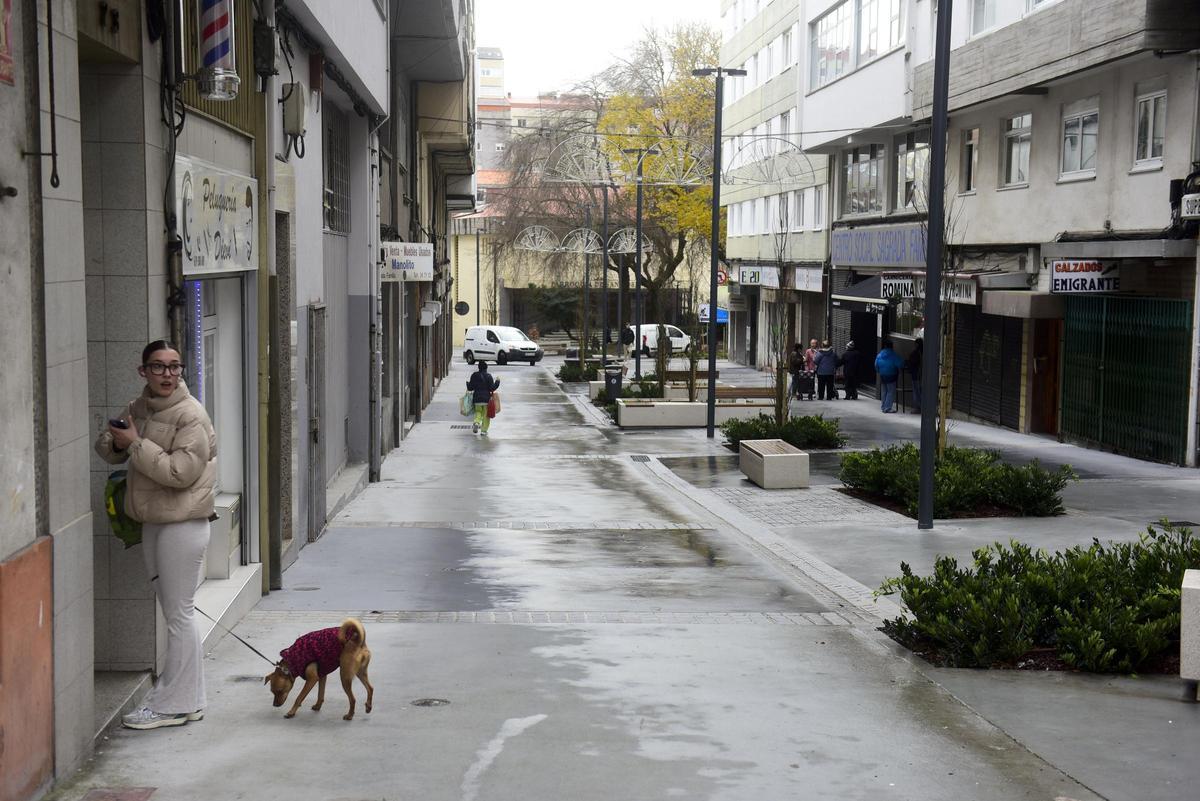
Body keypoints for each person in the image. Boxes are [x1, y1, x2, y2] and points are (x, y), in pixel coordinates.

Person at [96, 340, 217, 730]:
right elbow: (110, 449)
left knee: (179, 615)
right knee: (175, 614)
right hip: (155, 522)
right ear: (143, 371)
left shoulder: (191, 416)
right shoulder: (138, 407)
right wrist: (117, 441)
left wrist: (135, 444)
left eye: (174, 367)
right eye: (159, 367)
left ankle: (172, 706)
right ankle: (189, 700)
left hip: (184, 523)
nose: (168, 374)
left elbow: (180, 473)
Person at [467, 360, 501, 436]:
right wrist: (497, 382)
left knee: (478, 412)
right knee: (486, 415)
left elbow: (470, 388)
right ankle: (483, 431)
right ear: (486, 368)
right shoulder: (488, 376)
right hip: (486, 400)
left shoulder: (474, 375)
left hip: (477, 399)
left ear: (478, 367)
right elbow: (492, 388)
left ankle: (476, 422)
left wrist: (467, 383)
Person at [875, 339, 904, 413]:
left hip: (882, 375)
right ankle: (887, 408)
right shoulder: (894, 355)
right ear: (892, 347)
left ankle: (883, 406)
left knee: (884, 391)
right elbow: (900, 364)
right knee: (890, 391)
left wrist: (879, 371)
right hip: (891, 375)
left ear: (884, 346)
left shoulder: (879, 355)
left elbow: (876, 365)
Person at [905, 337, 924, 412]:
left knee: (916, 392)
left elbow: (912, 363)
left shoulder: (915, 353)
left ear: (916, 344)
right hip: (922, 375)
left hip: (916, 375)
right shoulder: (924, 352)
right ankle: (922, 406)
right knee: (921, 391)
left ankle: (918, 407)